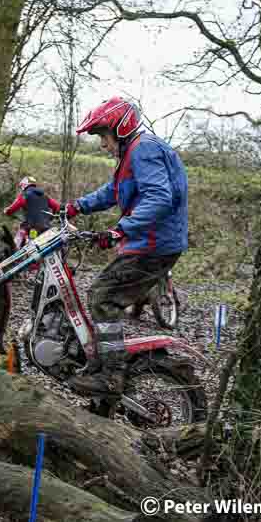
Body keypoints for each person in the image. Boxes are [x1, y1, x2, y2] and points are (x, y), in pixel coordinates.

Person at [63, 96, 188, 398]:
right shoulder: (134, 153)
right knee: (102, 293)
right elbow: (115, 191)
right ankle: (102, 363)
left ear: (120, 129)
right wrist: (75, 207)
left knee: (103, 296)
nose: (102, 144)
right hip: (148, 243)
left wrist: (120, 230)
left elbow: (160, 198)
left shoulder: (143, 150)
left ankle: (111, 376)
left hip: (154, 246)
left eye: (103, 136)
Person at [3, 176, 61, 248]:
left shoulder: (24, 195)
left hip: (31, 227)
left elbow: (12, 208)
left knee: (21, 233)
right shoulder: (45, 196)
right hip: (46, 227)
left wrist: (6, 211)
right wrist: (50, 218)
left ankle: (15, 251)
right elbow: (57, 207)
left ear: (24, 185)